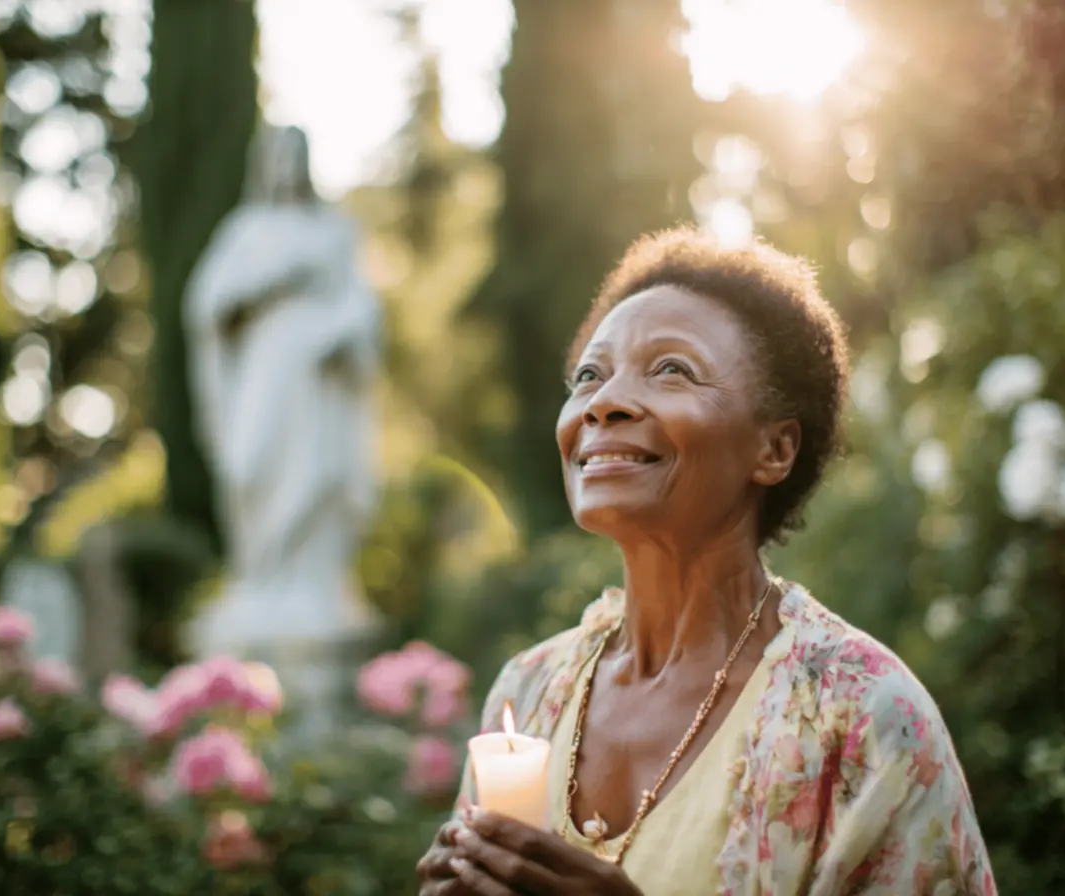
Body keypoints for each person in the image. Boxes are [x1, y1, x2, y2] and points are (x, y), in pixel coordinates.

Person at [415, 228, 997, 895]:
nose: (604, 403)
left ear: (773, 450)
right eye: (589, 376)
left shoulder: (865, 718)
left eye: (671, 370)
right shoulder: (527, 692)